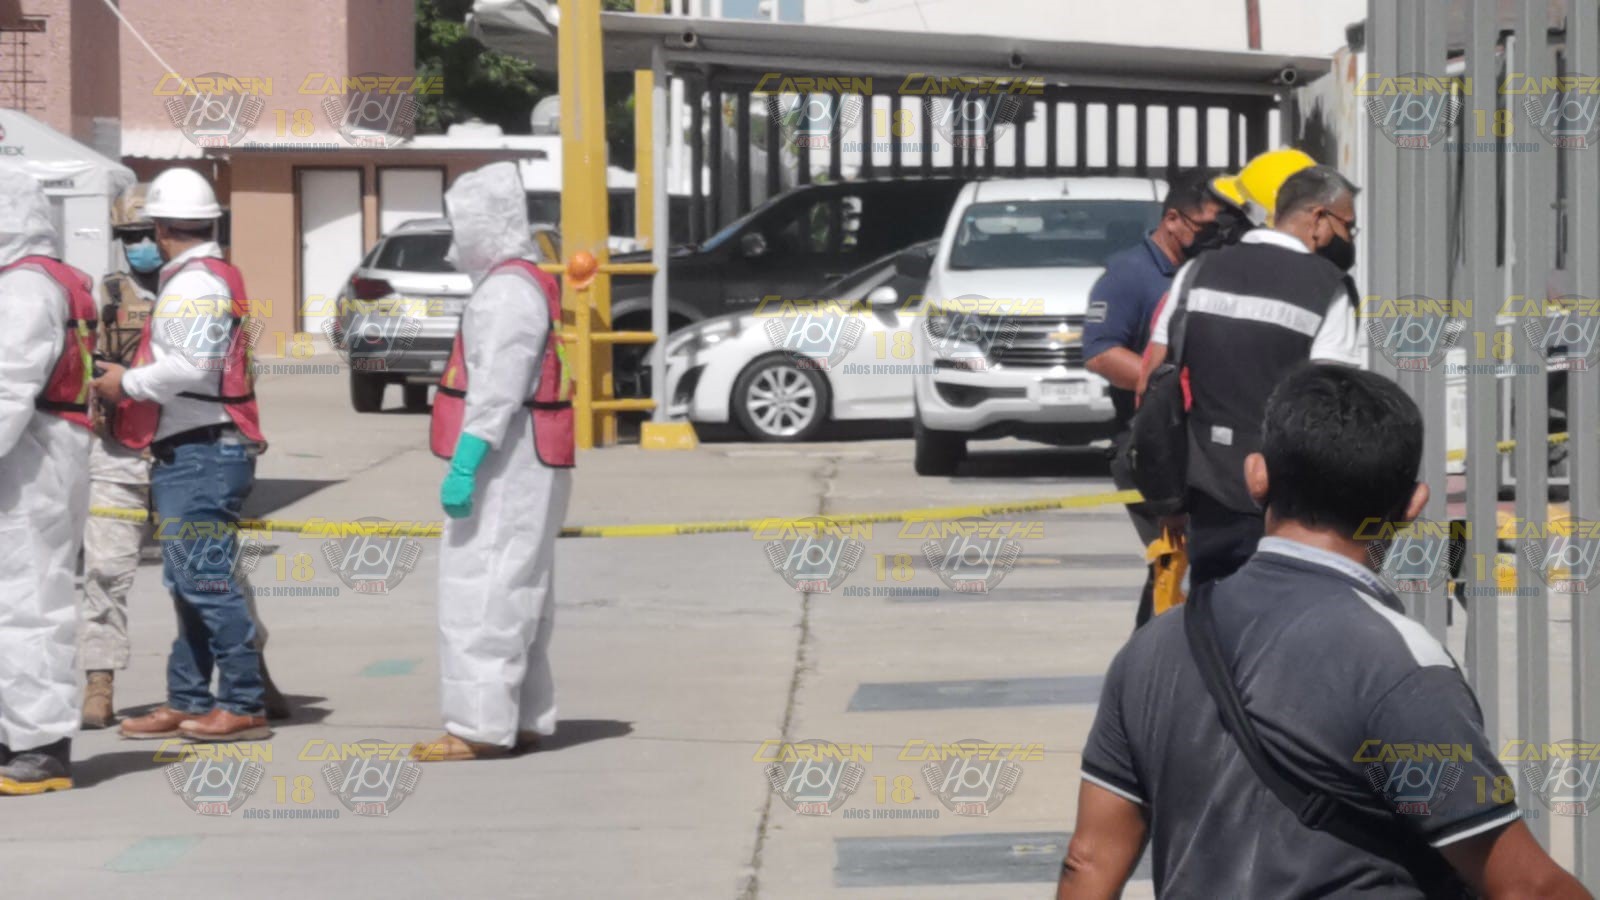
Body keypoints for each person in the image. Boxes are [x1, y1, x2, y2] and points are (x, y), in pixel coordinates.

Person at [1059, 364, 1590, 899]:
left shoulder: (1153, 648)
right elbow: (1525, 888)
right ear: (1413, 505)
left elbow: (1089, 860)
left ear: (1257, 476)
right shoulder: (1401, 666)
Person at [91, 167, 272, 744]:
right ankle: (188, 698)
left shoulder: (195, 286)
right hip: (196, 449)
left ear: (164, 229)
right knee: (189, 582)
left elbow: (192, 368)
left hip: (203, 450)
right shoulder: (206, 277)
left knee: (206, 583)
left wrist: (126, 382)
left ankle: (243, 702)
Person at [412, 161, 574, 762]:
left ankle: (478, 726)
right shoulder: (522, 283)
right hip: (525, 456)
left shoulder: (506, 293)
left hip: (507, 463)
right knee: (518, 587)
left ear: (485, 224)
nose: (454, 241)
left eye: (461, 225)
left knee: (481, 589)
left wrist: (466, 461)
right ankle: (520, 716)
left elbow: (497, 389)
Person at [1138, 164, 1362, 586]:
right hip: (1288, 503)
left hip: (1206, 492)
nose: (1348, 238)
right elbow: (1329, 407)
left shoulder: (1196, 272)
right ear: (1318, 218)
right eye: (1347, 226)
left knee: (1214, 612)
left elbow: (1152, 381)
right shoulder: (1328, 287)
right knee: (1283, 614)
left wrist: (1168, 495)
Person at [1086, 169, 1222, 627]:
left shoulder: (1210, 270)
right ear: (1172, 220)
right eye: (1205, 227)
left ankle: (1156, 656)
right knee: (1174, 564)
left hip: (1202, 444)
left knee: (1192, 569)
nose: (1214, 236)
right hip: (1149, 445)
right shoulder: (1130, 274)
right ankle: (1153, 659)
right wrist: (1168, 387)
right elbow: (1101, 353)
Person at [0, 168, 98, 793]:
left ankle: (40, 744)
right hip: (39, 452)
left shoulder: (24, 289)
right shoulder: (45, 278)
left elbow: (7, 387)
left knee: (29, 602)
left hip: (31, 460)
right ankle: (19, 732)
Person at [78, 183, 158, 729]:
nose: (142, 245)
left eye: (149, 234)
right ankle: (99, 681)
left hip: (187, 449)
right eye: (131, 236)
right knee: (104, 571)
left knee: (213, 572)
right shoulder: (106, 296)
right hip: (119, 451)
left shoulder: (203, 289)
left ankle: (248, 671)